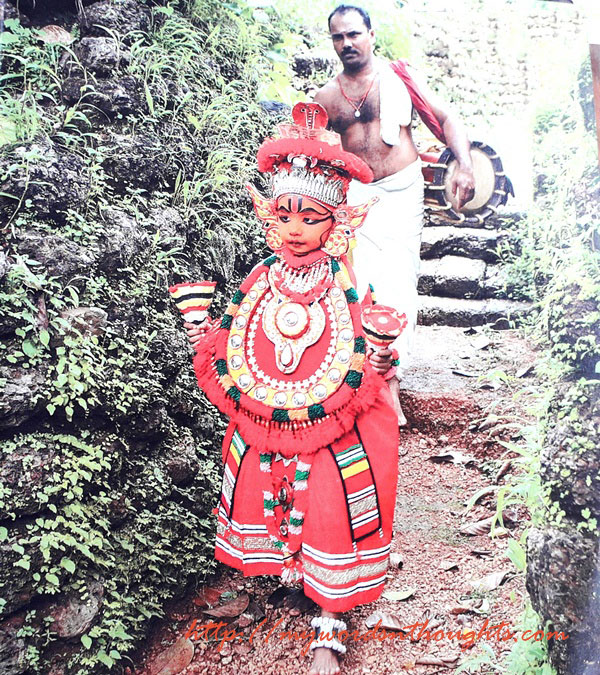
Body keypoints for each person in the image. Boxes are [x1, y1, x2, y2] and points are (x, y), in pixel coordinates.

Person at [182, 102, 401, 675]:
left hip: (330, 415)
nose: (295, 231)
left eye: (311, 218)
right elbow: (235, 339)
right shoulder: (260, 277)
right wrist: (204, 335)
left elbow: (363, 347)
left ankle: (331, 613)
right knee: (258, 467)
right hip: (272, 408)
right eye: (284, 217)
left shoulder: (345, 284)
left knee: (331, 486)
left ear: (337, 224)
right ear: (269, 218)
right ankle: (289, 568)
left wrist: (379, 356)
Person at [314, 4, 475, 425]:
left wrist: (466, 165)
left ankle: (392, 388)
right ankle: (367, 385)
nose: (347, 43)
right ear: (332, 42)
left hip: (403, 191)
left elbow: (446, 117)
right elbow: (317, 157)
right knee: (362, 286)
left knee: (398, 284)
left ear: (371, 34)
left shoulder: (399, 77)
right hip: (357, 198)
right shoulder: (326, 98)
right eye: (338, 37)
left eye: (354, 33)